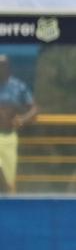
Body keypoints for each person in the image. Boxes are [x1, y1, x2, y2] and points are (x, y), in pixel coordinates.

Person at [0, 55, 38, 194]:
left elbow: (34, 110)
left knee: (9, 182)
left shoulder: (18, 87)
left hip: (9, 137)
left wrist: (22, 119)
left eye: (2, 66)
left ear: (8, 68)